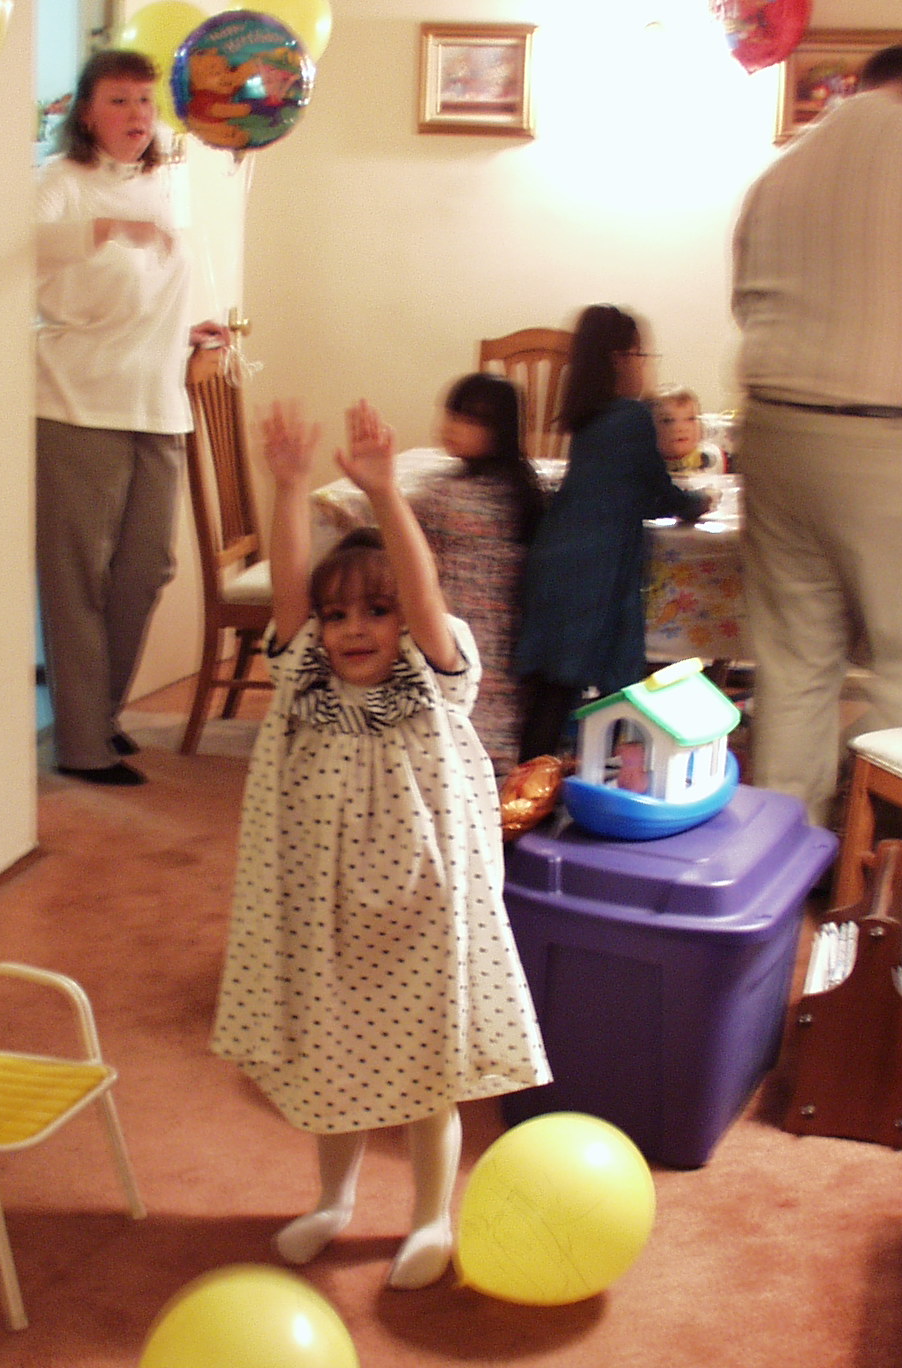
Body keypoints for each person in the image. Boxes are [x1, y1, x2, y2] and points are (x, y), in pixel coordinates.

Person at [211, 399, 550, 1291]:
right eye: (338, 615)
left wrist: (385, 493)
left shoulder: (434, 680)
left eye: (375, 610)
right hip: (325, 917)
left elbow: (424, 594)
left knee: (428, 1074)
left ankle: (431, 1214)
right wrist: (289, 487)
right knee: (333, 1062)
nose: (354, 628)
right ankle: (334, 1202)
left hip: (424, 913)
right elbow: (291, 591)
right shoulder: (304, 680)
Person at [731, 44, 902, 827]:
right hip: (893, 445)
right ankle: (878, 857)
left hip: (775, 433)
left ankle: (786, 857)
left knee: (794, 668)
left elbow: (747, 308)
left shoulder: (781, 170)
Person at [36, 49, 229, 786]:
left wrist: (187, 330)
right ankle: (83, 742)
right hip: (75, 402)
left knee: (147, 569)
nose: (137, 115)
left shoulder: (166, 182)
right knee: (77, 578)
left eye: (145, 101)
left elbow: (148, 291)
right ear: (86, 113)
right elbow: (12, 251)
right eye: (118, 100)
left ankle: (99, 712)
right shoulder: (60, 183)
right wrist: (103, 228)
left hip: (158, 400)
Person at [513, 305, 713, 761]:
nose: (645, 366)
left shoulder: (590, 419)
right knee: (577, 687)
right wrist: (698, 501)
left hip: (560, 557)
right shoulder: (630, 418)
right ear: (620, 359)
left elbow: (628, 491)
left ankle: (532, 783)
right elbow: (657, 493)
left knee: (552, 692)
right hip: (591, 571)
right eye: (641, 356)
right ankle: (574, 778)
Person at [408, 373, 547, 777]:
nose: (452, 426)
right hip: (505, 629)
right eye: (451, 414)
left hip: (467, 624)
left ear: (499, 430)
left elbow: (394, 529)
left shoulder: (450, 496)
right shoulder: (522, 487)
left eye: (469, 420)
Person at [652, 384, 727, 476]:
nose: (681, 428)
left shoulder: (714, 458)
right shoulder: (644, 465)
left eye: (691, 419)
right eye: (668, 420)